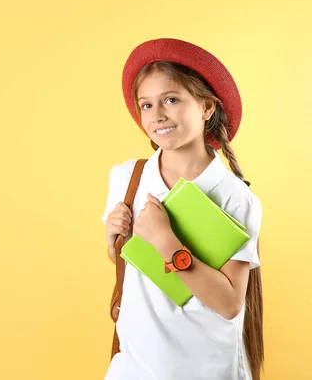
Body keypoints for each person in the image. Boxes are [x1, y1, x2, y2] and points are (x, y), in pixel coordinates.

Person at [101, 38, 263, 380]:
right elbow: (133, 270)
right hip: (134, 366)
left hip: (206, 369)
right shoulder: (127, 178)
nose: (157, 115)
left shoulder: (235, 198)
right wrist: (113, 239)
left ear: (207, 108)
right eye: (146, 105)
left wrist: (166, 241)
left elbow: (230, 303)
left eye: (171, 100)